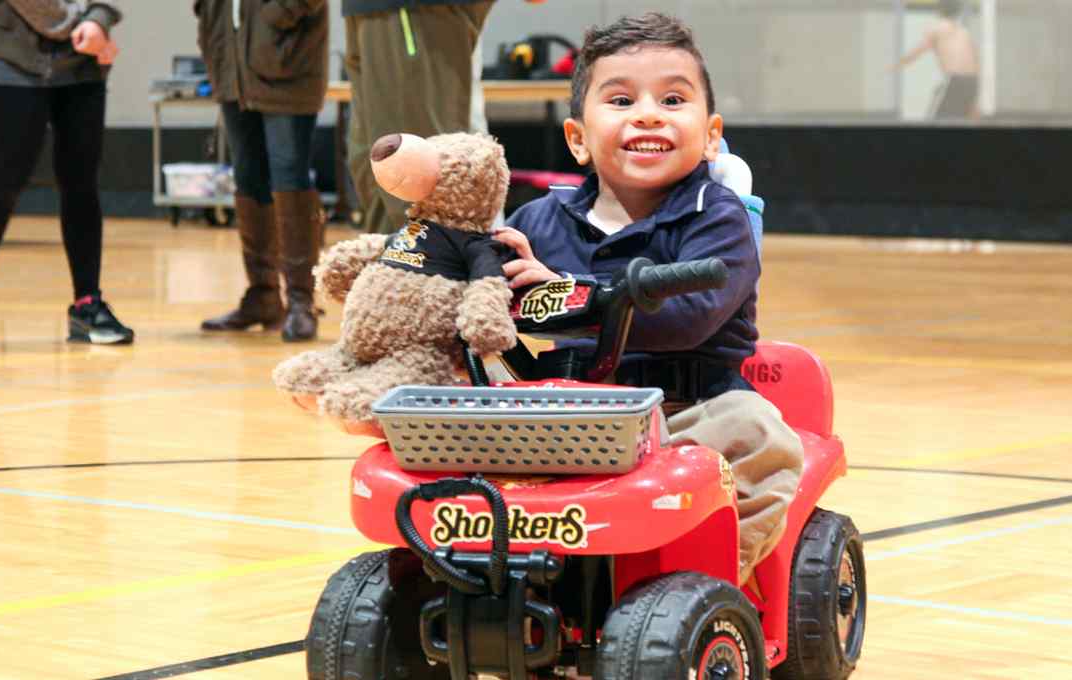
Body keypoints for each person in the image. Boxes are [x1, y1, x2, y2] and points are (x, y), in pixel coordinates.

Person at [494, 12, 804, 585]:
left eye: (672, 99)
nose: (647, 113)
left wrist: (561, 294)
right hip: (566, 411)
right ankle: (487, 574)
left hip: (687, 412)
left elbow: (687, 320)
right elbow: (491, 295)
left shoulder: (717, 217)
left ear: (710, 135)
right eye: (620, 100)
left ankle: (710, 576)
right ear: (578, 139)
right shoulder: (537, 219)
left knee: (762, 434)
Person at [0, 0, 130, 348]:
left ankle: (87, 303)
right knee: (7, 177)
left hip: (83, 58)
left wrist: (99, 20)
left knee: (81, 181)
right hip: (13, 56)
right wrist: (82, 23)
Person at [196, 0, 329, 341]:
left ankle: (300, 300)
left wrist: (274, 17)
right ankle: (263, 295)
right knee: (247, 178)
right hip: (232, 66)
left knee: (290, 177)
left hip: (287, 64)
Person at [341, 0, 495, 235]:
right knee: (373, 165)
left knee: (411, 165)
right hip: (368, 10)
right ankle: (391, 267)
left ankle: (433, 268)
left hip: (414, 12)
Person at [894, 0, 980, 120]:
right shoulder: (963, 32)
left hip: (955, 79)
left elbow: (917, 52)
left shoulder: (936, 29)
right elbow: (975, 59)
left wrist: (895, 66)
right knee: (959, 120)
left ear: (939, 10)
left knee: (936, 121)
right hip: (973, 80)